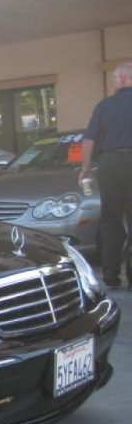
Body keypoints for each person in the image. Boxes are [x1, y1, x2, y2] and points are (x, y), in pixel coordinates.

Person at [80, 62, 132, 288]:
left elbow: (89, 140)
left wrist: (85, 170)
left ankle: (111, 275)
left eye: (114, 80)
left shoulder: (104, 106)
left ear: (121, 80)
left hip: (110, 163)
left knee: (111, 219)